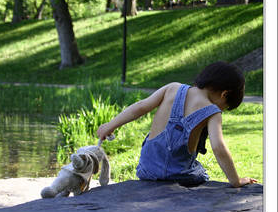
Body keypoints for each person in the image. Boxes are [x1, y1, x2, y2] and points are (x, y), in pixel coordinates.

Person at [97, 61, 257, 188]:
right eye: (225, 106)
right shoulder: (213, 112)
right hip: (179, 174)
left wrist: (110, 125)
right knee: (201, 172)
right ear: (224, 94)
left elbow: (140, 107)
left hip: (147, 169)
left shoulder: (172, 88)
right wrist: (236, 180)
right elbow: (218, 147)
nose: (221, 109)